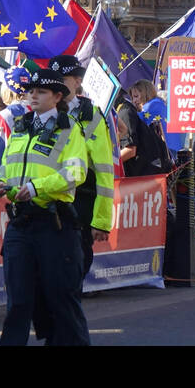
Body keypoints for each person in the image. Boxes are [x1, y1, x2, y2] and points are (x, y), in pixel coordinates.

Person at [0, 66, 91, 346]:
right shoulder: (21, 127)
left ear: (58, 96)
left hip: (54, 225)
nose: (33, 96)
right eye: (31, 91)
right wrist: (1, 183)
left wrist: (36, 188)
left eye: (41, 91)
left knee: (61, 300)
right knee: (18, 302)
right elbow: (7, 167)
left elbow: (75, 173)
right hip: (21, 224)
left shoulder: (70, 129)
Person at [49, 55, 114, 278]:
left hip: (79, 207)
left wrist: (102, 221)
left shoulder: (92, 117)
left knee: (71, 277)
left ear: (77, 81)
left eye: (63, 78)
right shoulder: (39, 116)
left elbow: (105, 173)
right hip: (44, 203)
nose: (56, 83)